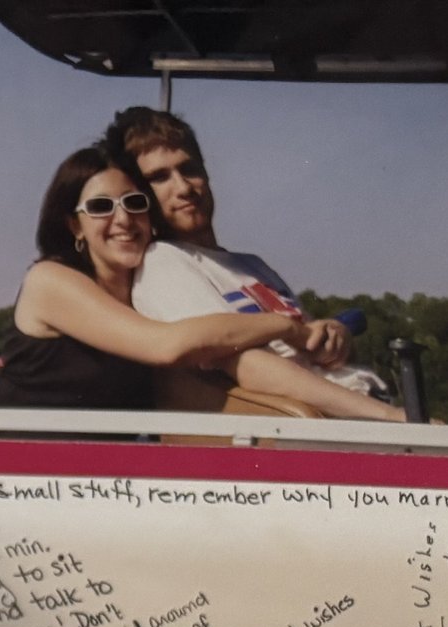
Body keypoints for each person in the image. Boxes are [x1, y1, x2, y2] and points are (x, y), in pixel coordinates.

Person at [106, 106, 403, 423]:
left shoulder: (251, 266)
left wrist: (332, 337)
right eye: (160, 178)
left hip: (353, 403)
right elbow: (245, 364)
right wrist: (396, 419)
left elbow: (308, 351)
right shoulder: (163, 262)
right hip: (307, 429)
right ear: (140, 196)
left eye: (189, 169)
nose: (183, 188)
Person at [0, 146, 302, 411]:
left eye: (134, 203)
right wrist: (287, 326)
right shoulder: (49, 281)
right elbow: (168, 345)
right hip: (0, 463)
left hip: (99, 471)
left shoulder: (150, 286)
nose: (123, 219)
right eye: (100, 206)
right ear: (75, 226)